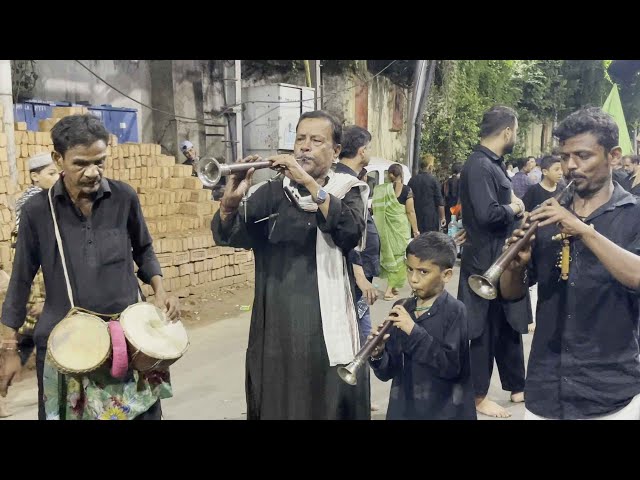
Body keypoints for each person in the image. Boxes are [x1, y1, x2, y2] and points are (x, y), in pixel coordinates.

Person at [0, 114, 179, 420]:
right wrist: (8, 349)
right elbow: (19, 282)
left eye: (100, 161)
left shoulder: (124, 197)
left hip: (126, 343)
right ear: (58, 159)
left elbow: (144, 250)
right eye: (81, 163)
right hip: (65, 347)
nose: (93, 172)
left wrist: (160, 289)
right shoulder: (37, 212)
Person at [212, 110, 370, 420]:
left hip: (325, 330)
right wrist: (230, 204)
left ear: (336, 150)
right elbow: (233, 235)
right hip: (276, 327)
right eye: (300, 139)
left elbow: (350, 232)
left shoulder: (348, 190)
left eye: (316, 140)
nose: (305, 147)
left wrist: (310, 184)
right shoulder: (273, 192)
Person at [501, 107, 640, 420]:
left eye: (583, 155)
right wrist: (515, 266)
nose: (570, 166)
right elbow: (512, 294)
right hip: (545, 389)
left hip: (610, 392)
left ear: (614, 157)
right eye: (564, 157)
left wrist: (583, 230)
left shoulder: (635, 213)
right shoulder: (547, 214)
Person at [457, 105, 531, 418]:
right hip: (483, 264)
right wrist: (516, 208)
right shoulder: (479, 165)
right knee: (480, 330)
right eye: (515, 130)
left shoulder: (493, 165)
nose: (516, 135)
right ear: (507, 131)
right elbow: (488, 214)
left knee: (507, 325)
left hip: (501, 260)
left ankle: (517, 386)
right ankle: (476, 397)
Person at [368, 232, 476, 420]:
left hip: (444, 411)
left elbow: (450, 368)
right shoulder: (401, 307)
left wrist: (413, 331)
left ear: (447, 275)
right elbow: (389, 372)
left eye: (423, 272)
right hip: (405, 409)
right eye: (410, 269)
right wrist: (378, 354)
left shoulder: (455, 311)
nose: (413, 279)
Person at [336, 126, 380, 346]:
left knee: (359, 316)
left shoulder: (347, 178)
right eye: (369, 147)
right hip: (355, 272)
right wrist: (360, 276)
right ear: (361, 151)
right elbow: (348, 234)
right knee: (359, 324)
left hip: (358, 269)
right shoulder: (347, 184)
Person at [373, 164, 415, 302]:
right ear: (401, 174)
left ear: (389, 174)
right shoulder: (407, 190)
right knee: (399, 260)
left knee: (392, 257)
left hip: (386, 230)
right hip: (400, 229)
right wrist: (416, 230)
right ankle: (389, 291)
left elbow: (375, 209)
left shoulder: (383, 190)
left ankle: (394, 287)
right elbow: (410, 211)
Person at [408, 154, 446, 234]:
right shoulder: (433, 181)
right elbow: (440, 202)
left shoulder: (412, 180)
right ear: (430, 167)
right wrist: (442, 217)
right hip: (430, 219)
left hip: (416, 217)